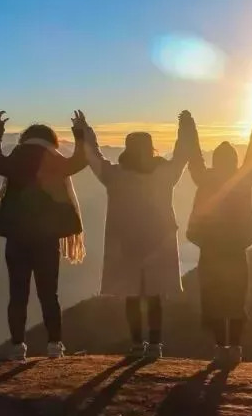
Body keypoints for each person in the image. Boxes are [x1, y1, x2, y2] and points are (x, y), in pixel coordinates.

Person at [82, 111, 193, 360]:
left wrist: (85, 132)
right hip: (159, 241)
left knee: (132, 296)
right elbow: (181, 156)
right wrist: (185, 129)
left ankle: (136, 343)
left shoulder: (116, 176)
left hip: (126, 243)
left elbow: (94, 159)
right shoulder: (164, 174)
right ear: (151, 149)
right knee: (154, 296)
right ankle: (155, 345)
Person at [0, 110, 89, 361]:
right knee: (49, 294)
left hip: (17, 238)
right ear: (51, 140)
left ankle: (17, 347)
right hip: (47, 239)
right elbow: (80, 160)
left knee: (17, 294)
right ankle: (54, 345)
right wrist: (80, 130)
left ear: (26, 138)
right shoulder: (56, 161)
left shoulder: (15, 159)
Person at [185, 116, 252, 368]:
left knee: (214, 300)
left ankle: (222, 347)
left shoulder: (205, 178)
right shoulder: (242, 180)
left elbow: (194, 158)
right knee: (235, 300)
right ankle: (235, 347)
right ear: (233, 161)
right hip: (235, 251)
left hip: (210, 250)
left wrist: (189, 129)